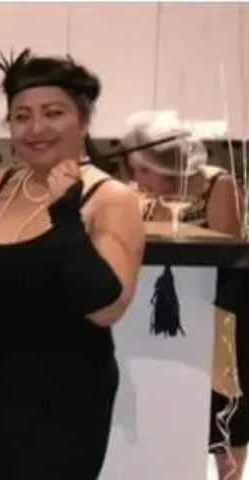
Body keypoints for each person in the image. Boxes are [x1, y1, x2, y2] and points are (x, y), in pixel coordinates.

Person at [0, 50, 145, 480]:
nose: (36, 128)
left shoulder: (110, 198)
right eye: (22, 116)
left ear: (82, 121)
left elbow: (105, 307)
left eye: (53, 113)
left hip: (69, 397)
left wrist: (65, 212)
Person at [122, 112, 246, 480]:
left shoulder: (217, 186)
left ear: (168, 162)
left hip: (222, 318)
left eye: (144, 170)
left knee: (226, 415)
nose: (136, 179)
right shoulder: (146, 196)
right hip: (175, 321)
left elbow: (225, 256)